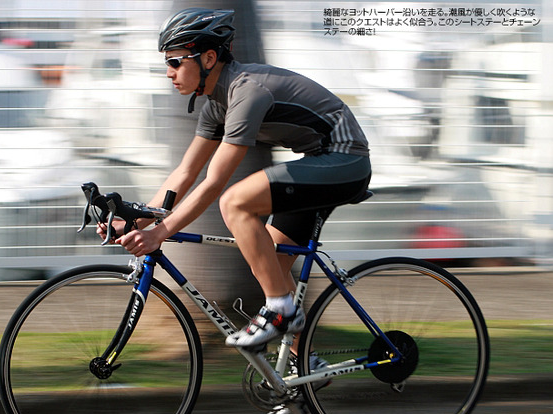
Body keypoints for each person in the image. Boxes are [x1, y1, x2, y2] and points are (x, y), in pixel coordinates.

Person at [100, 7, 371, 371]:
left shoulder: (247, 92)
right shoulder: (217, 104)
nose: (169, 72)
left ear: (209, 57)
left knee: (236, 202)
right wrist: (136, 223)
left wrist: (162, 232)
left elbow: (214, 182)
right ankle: (305, 368)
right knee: (270, 265)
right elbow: (184, 173)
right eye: (167, 63)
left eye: (176, 62)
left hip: (345, 161)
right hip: (317, 164)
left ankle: (281, 312)